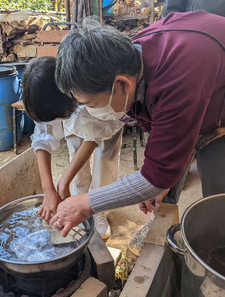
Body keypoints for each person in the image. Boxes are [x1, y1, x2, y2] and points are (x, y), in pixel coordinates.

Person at [49, 12, 225, 237]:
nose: (90, 111)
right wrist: (162, 180)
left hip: (216, 104)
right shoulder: (133, 58)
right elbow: (175, 130)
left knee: (218, 203)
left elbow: (155, 175)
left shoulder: (177, 79)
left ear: (121, 84)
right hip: (211, 96)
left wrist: (85, 204)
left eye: (91, 103)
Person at [22, 57, 124, 239]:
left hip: (106, 115)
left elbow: (94, 137)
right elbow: (43, 137)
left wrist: (63, 181)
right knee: (76, 160)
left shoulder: (90, 89)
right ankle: (79, 201)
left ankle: (96, 208)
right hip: (71, 112)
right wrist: (50, 190)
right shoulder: (42, 93)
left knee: (105, 161)